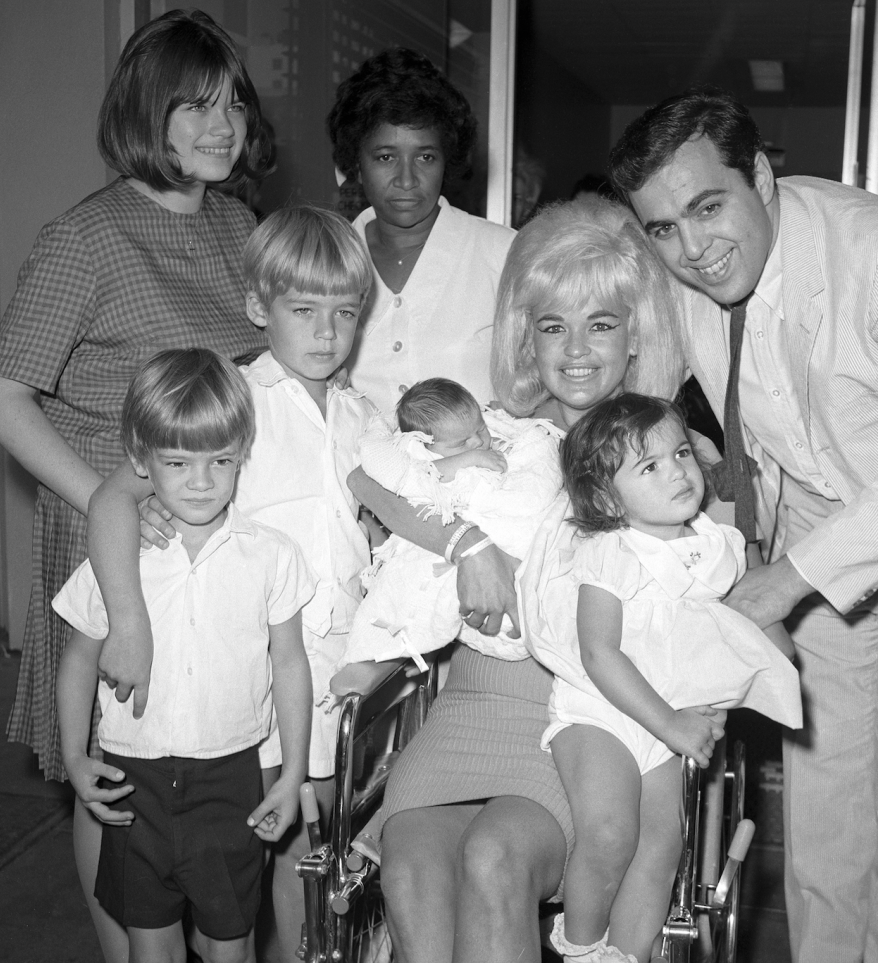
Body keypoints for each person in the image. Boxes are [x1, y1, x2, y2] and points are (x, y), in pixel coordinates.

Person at [609, 86, 878, 963]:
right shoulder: (690, 279)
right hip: (809, 528)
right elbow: (644, 409)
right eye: (663, 230)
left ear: (760, 175)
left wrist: (781, 583)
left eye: (708, 207)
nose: (693, 250)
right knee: (825, 798)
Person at [0, 9, 272, 960]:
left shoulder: (240, 222)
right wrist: (101, 500)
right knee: (119, 767)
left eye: (231, 101)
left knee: (206, 758)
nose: (221, 124)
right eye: (193, 105)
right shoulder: (86, 236)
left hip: (209, 516)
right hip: (111, 527)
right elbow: (3, 396)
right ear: (143, 115)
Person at [346, 198, 687, 963]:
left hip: (581, 719)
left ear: (637, 335)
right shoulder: (490, 427)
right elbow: (368, 477)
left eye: (601, 322)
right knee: (409, 861)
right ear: (524, 336)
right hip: (468, 699)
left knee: (494, 856)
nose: (574, 349)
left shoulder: (668, 451)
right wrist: (464, 541)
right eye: (551, 324)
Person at [86, 205, 377, 960]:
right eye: (304, 310)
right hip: (253, 682)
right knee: (268, 859)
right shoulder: (233, 397)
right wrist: (128, 619)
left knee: (327, 853)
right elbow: (117, 494)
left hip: (343, 675)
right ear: (258, 308)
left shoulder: (364, 416)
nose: (325, 332)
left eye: (345, 313)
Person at [521, 392, 801, 963]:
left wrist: (779, 661)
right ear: (605, 495)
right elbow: (600, 655)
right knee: (610, 833)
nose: (678, 472)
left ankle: (622, 954)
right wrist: (670, 723)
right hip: (602, 710)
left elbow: (751, 618)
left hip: (672, 719)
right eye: (650, 467)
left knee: (665, 843)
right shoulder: (609, 551)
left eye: (680, 453)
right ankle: (582, 947)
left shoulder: (714, 547)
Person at [54, 349, 312, 963]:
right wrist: (72, 755)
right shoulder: (118, 560)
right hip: (131, 775)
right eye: (178, 462)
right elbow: (78, 660)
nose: (202, 481)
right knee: (151, 948)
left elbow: (290, 664)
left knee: (230, 943)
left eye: (221, 460)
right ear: (141, 460)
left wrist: (294, 772)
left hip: (231, 775)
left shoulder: (271, 555)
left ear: (241, 455)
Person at [326, 46, 516, 412]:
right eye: (385, 157)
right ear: (356, 163)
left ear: (447, 161)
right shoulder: (326, 260)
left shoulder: (503, 254)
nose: (407, 180)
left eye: (425, 157)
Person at [337, 377, 561, 672]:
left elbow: (532, 483)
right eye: (462, 443)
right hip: (472, 555)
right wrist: (471, 460)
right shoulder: (414, 455)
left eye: (480, 429)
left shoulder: (515, 433)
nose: (479, 441)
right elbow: (420, 477)